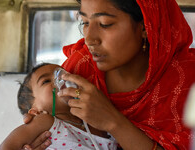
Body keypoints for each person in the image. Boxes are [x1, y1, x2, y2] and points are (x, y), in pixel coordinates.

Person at [22, 0, 195, 149]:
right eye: (84, 22)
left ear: (145, 25)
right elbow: (56, 124)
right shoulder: (80, 68)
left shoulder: (186, 81)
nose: (89, 40)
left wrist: (112, 121)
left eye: (105, 23)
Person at [0, 63, 117, 150]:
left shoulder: (94, 120)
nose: (60, 79)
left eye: (63, 74)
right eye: (46, 81)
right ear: (35, 111)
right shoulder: (46, 122)